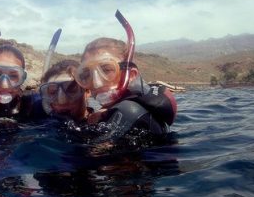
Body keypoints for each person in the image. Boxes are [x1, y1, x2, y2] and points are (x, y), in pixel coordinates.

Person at [72, 10, 177, 143]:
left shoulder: (129, 112)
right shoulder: (121, 108)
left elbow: (99, 157)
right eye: (87, 75)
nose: (97, 83)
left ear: (131, 75)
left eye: (106, 69)